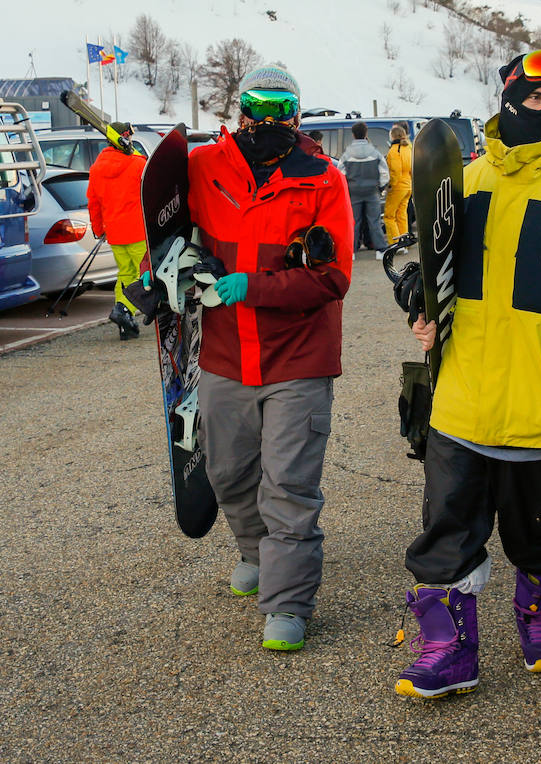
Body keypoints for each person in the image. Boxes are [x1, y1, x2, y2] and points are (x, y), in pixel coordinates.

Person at [394, 50, 541, 699]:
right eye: (537, 98)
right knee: (445, 539)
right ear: (507, 97)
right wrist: (424, 310)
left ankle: (540, 622)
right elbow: (439, 276)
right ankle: (448, 652)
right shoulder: (465, 183)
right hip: (459, 406)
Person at [183, 64, 354, 652]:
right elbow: (163, 218)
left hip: (298, 358)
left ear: (297, 115)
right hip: (226, 355)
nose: (270, 119)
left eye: (283, 108)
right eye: (259, 106)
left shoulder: (323, 180)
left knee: (289, 485)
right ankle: (254, 550)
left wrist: (251, 287)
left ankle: (287, 604)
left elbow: (333, 278)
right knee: (227, 472)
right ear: (240, 110)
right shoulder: (205, 167)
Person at [87, 123, 148, 340]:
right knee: (146, 275)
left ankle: (125, 321)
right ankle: (125, 309)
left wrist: (98, 229)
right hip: (139, 231)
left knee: (125, 274)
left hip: (115, 232)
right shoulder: (138, 164)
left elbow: (93, 204)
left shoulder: (96, 169)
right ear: (124, 138)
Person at [336, 121, 389, 258]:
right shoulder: (375, 153)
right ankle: (381, 251)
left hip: (353, 193)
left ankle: (351, 252)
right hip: (372, 191)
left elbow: (340, 174)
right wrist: (380, 186)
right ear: (366, 134)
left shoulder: (347, 154)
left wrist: (347, 188)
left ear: (353, 135)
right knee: (374, 222)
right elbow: (384, 174)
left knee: (354, 222)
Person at [383, 122, 413, 246]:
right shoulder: (408, 148)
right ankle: (404, 241)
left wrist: (390, 185)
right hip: (408, 185)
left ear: (393, 136)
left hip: (398, 186)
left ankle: (395, 243)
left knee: (389, 216)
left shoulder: (394, 151)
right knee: (401, 215)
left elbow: (395, 171)